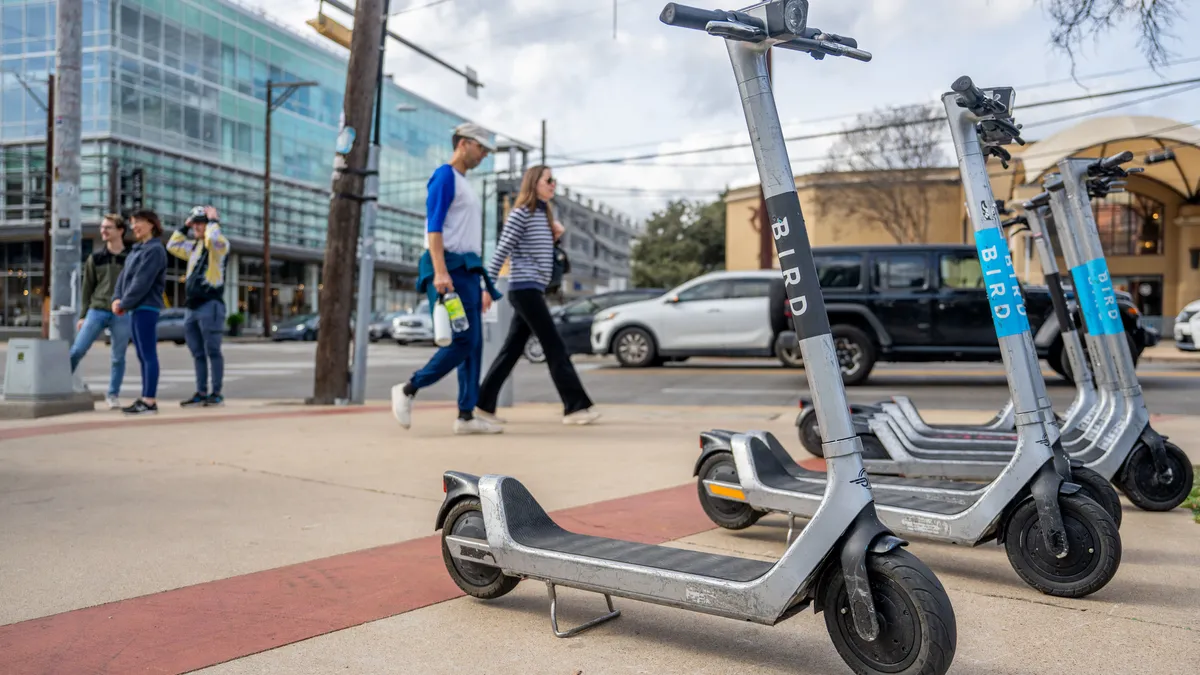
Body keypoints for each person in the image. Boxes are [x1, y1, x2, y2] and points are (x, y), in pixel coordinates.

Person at [391, 122, 505, 434]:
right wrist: (441, 271)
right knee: (462, 341)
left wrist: (479, 284)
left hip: (467, 273)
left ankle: (466, 416)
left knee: (475, 344)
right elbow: (434, 227)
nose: (483, 154)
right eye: (480, 147)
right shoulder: (444, 176)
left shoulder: (466, 183)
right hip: (449, 271)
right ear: (463, 143)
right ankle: (409, 388)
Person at [476, 165, 600, 426]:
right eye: (549, 180)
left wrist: (556, 236)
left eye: (554, 181)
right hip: (524, 289)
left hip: (533, 289)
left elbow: (543, 255)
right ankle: (576, 407)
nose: (553, 185)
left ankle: (483, 406)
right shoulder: (521, 213)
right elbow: (501, 250)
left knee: (511, 351)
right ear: (534, 184)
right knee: (554, 346)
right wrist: (486, 286)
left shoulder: (544, 216)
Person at [167, 205, 230, 407]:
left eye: (200, 223)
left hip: (210, 304)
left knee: (213, 349)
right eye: (195, 223)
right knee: (197, 352)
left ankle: (216, 392)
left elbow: (213, 240)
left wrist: (213, 221)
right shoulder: (194, 247)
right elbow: (172, 245)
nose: (198, 227)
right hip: (192, 307)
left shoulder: (219, 246)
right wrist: (184, 227)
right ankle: (201, 392)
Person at [69, 213, 131, 410]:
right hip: (97, 310)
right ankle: (62, 384)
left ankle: (112, 394)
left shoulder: (130, 258)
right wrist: (82, 315)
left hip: (122, 312)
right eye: (102, 227)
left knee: (118, 356)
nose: (103, 231)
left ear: (120, 231)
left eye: (108, 227)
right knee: (77, 350)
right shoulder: (95, 258)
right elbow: (87, 289)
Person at [112, 208, 168, 416]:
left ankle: (149, 401)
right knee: (142, 355)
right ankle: (146, 399)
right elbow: (123, 278)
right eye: (133, 222)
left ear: (151, 224)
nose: (134, 226)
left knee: (148, 354)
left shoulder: (154, 250)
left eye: (138, 222)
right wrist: (117, 298)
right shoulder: (137, 249)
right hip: (134, 307)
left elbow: (141, 281)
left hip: (146, 307)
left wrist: (124, 302)